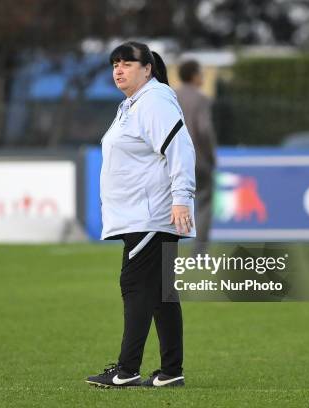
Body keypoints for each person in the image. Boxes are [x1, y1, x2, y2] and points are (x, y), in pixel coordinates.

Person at [86, 41, 196, 388]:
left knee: (134, 286)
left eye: (127, 63)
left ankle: (126, 369)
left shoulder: (154, 101)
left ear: (147, 69)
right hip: (142, 214)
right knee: (162, 293)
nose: (118, 69)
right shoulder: (133, 105)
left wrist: (181, 198)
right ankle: (170, 371)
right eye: (115, 64)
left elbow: (180, 148)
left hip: (148, 215)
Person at [176, 60, 217, 255]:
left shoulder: (170, 96)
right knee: (204, 202)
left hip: (171, 160)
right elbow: (204, 129)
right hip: (197, 159)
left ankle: (160, 250)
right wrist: (211, 156)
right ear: (193, 76)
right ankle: (199, 251)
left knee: (166, 204)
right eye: (201, 73)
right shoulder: (200, 99)